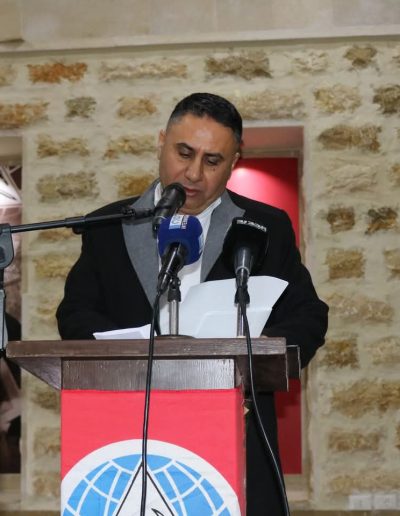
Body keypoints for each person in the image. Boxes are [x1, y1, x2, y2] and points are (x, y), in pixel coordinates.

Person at [57, 92, 328, 514]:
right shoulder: (106, 226)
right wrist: (130, 352)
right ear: (161, 142)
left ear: (234, 162)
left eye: (213, 160)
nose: (194, 173)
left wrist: (251, 359)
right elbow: (75, 315)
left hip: (236, 433)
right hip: (128, 435)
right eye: (184, 153)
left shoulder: (264, 227)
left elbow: (308, 316)